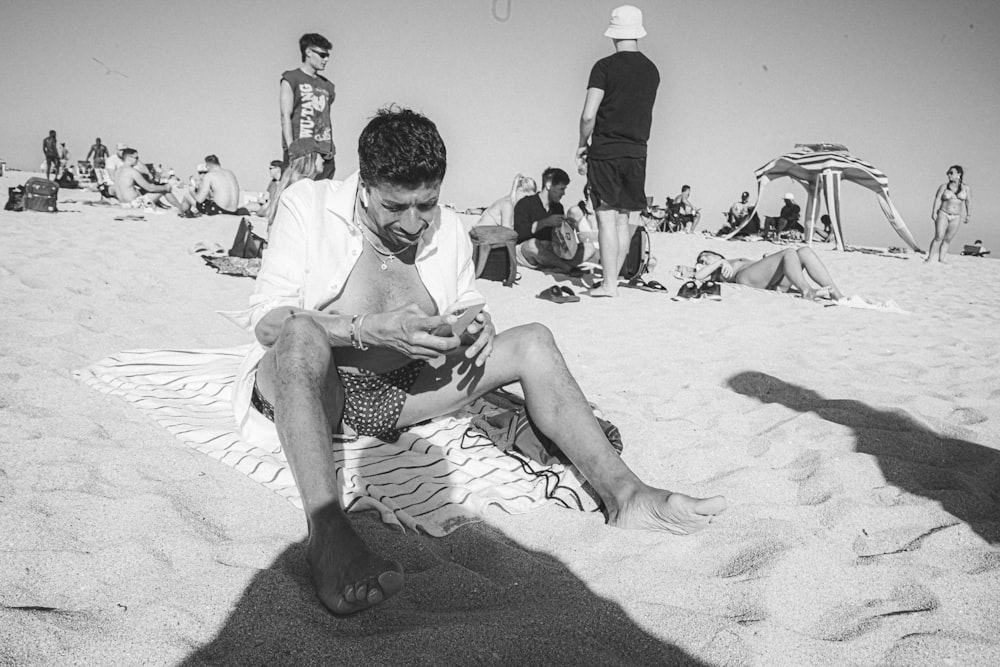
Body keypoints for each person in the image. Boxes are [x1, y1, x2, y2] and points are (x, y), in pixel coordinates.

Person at [235, 107, 727, 615]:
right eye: (395, 206)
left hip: (402, 392)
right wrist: (365, 329)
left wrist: (476, 323)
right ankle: (328, 529)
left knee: (534, 339)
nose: (412, 223)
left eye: (426, 204)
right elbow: (267, 321)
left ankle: (626, 495)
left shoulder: (447, 229)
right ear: (364, 184)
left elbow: (467, 301)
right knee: (298, 335)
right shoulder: (309, 206)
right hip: (319, 387)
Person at [576, 5, 659, 297]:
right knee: (624, 218)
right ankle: (615, 278)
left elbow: (589, 115)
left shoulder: (604, 67)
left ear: (613, 33)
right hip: (637, 151)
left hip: (607, 150)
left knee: (605, 216)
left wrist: (581, 143)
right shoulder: (652, 70)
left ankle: (609, 284)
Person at [281, 33, 336, 180]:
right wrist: (291, 149)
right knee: (296, 196)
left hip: (325, 152)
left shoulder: (328, 86)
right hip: (302, 151)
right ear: (308, 52)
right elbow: (285, 115)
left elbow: (324, 117)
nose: (326, 59)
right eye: (323, 55)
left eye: (328, 55)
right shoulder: (291, 78)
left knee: (322, 198)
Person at [694, 248, 844, 301]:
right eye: (702, 259)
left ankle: (837, 295)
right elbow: (698, 276)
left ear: (714, 253)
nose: (705, 259)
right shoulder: (716, 268)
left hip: (764, 278)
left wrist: (768, 259)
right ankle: (806, 291)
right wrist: (719, 263)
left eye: (706, 255)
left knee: (804, 251)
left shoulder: (729, 260)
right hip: (744, 278)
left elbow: (760, 268)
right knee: (789, 252)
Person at [513, 167, 583, 273]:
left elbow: (559, 240)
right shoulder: (525, 203)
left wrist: (568, 228)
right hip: (528, 252)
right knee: (532, 244)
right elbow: (519, 233)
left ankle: (555, 265)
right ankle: (566, 267)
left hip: (550, 251)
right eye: (561, 189)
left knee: (588, 248)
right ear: (549, 185)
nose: (563, 193)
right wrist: (545, 222)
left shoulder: (558, 207)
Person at [265, 137, 329, 232]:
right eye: (321, 155)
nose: (323, 160)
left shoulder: (288, 187)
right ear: (310, 158)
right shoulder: (305, 189)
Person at [925, 165, 971, 264]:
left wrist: (968, 214)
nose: (948, 175)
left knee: (948, 239)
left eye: (951, 173)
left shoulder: (966, 188)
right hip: (943, 213)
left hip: (957, 216)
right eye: (948, 173)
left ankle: (941, 258)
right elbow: (937, 199)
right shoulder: (944, 187)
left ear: (959, 174)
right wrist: (934, 211)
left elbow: (968, 202)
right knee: (939, 236)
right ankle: (929, 258)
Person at [113, 148, 184, 211]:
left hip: (122, 204)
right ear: (128, 158)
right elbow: (150, 188)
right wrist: (166, 187)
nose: (138, 160)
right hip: (134, 204)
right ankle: (181, 208)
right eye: (136, 158)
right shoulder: (132, 171)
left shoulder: (118, 171)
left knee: (147, 190)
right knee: (164, 190)